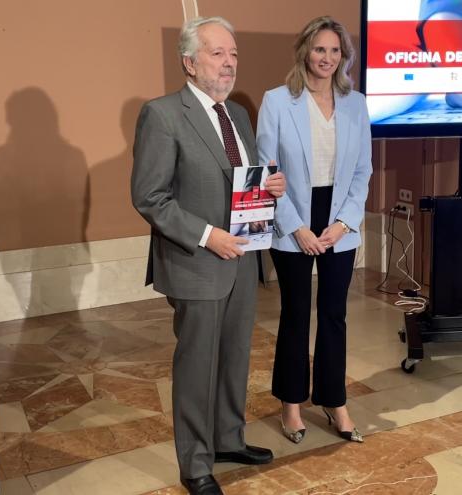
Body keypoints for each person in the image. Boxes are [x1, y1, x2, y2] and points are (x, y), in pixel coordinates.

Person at [131, 16, 285, 495]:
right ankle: (196, 463)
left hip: (243, 258)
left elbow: (242, 182)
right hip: (197, 261)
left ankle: (228, 440)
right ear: (190, 63)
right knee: (198, 365)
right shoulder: (162, 115)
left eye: (233, 54)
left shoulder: (238, 114)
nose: (229, 63)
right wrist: (206, 235)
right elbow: (150, 197)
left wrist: (270, 186)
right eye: (218, 53)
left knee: (235, 356)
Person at [256, 16, 372, 445]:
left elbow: (363, 171)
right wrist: (296, 227)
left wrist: (343, 224)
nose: (327, 57)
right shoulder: (276, 101)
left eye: (335, 50)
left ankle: (334, 400)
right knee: (295, 313)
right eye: (320, 49)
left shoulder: (356, 103)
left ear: (344, 56)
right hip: (292, 218)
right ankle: (291, 404)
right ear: (305, 50)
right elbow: (267, 172)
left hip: (339, 220)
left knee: (334, 314)